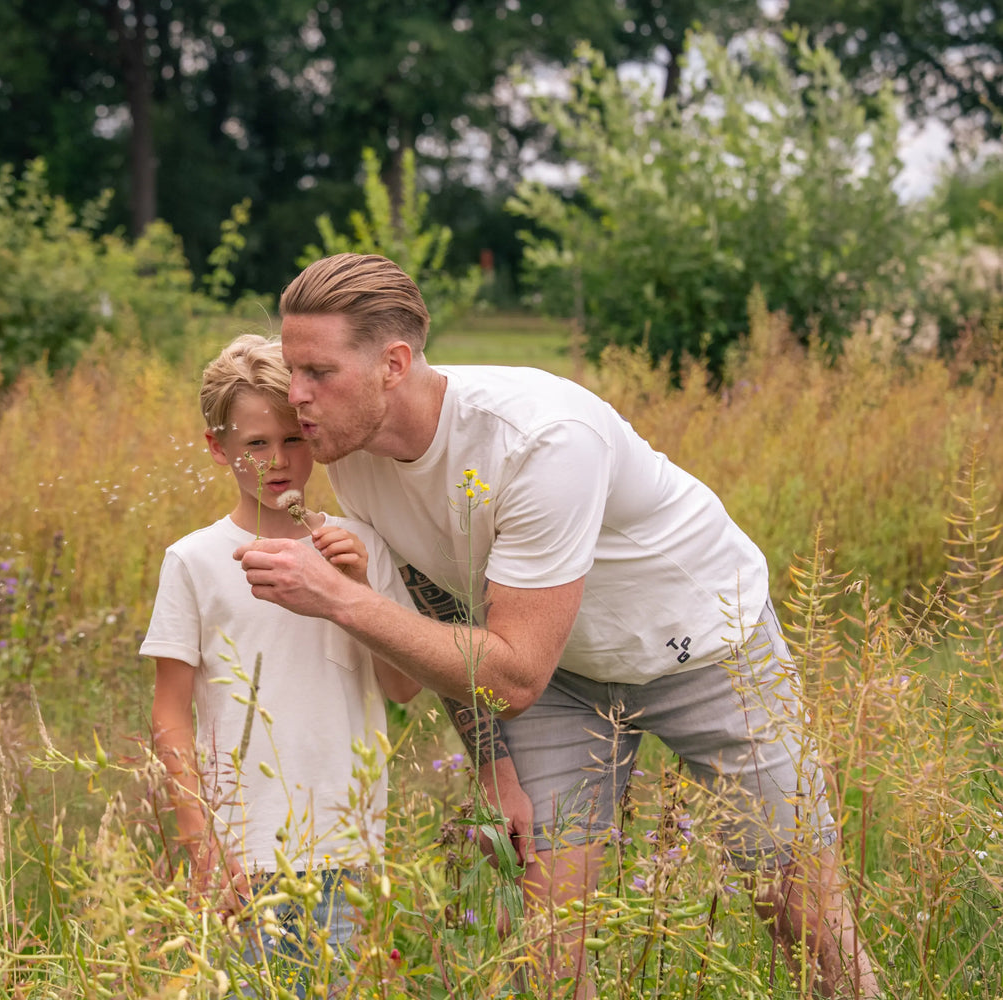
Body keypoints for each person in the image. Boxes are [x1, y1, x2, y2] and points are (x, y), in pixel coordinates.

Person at [232, 253, 879, 999]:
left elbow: (509, 673)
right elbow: (440, 611)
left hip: (705, 644)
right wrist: (491, 769)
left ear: (393, 364)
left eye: (318, 373)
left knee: (801, 914)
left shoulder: (540, 440)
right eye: (291, 371)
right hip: (557, 674)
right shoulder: (353, 451)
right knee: (540, 931)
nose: (298, 398)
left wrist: (341, 600)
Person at [142, 333, 422, 991]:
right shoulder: (195, 560)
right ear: (219, 449)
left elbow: (403, 688)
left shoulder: (361, 545)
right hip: (245, 854)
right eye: (255, 445)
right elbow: (169, 714)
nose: (278, 461)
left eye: (295, 440)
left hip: (351, 849)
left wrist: (358, 593)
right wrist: (202, 846)